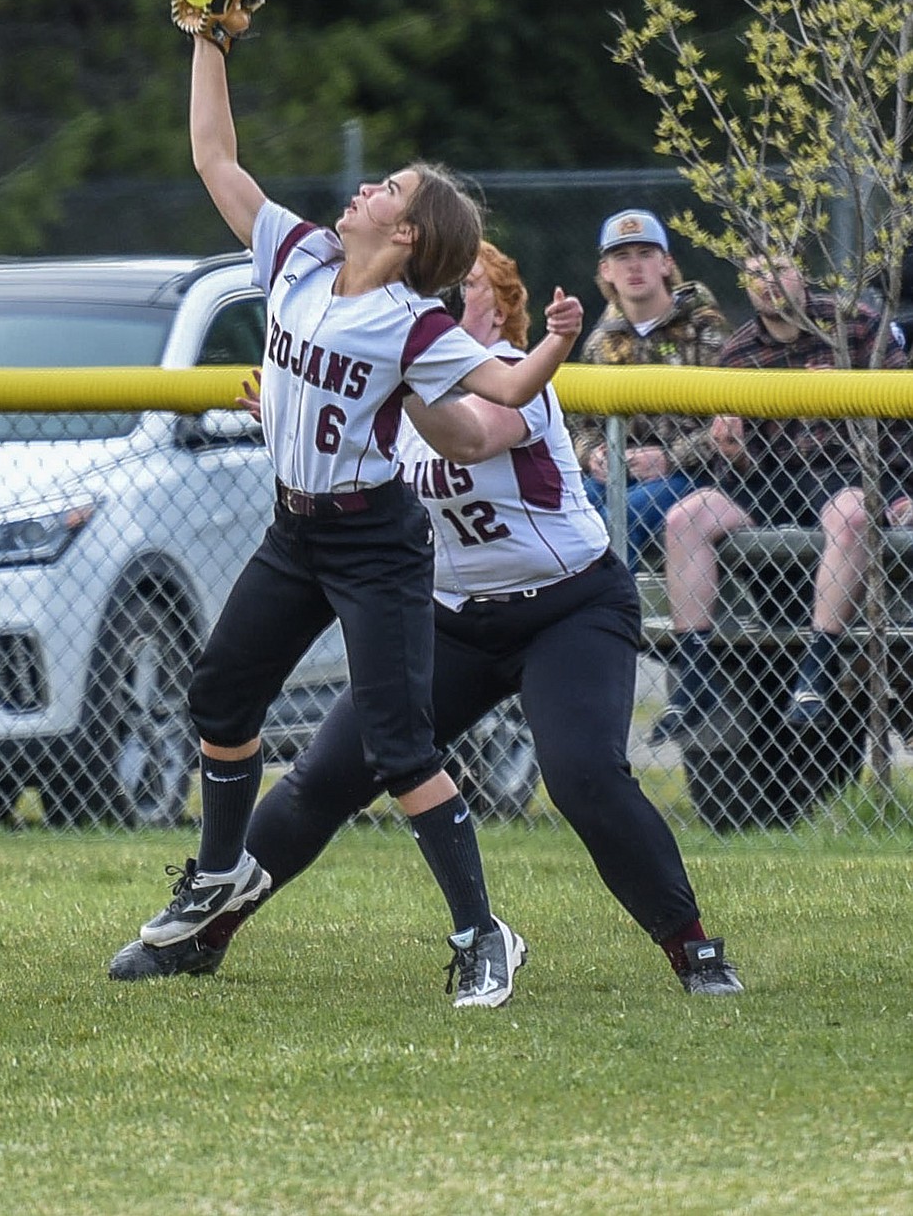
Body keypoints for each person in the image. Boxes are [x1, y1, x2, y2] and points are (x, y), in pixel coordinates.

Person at [110, 241, 743, 998]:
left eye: (461, 289)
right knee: (326, 775)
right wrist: (291, 415)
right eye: (428, 289)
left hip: (566, 607)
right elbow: (320, 461)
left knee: (582, 775)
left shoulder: (516, 375)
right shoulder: (387, 383)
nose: (437, 302)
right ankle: (205, 930)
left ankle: (695, 948)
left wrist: (393, 379)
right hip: (451, 618)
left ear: (499, 305)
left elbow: (468, 434)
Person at [121, 36, 584, 1009]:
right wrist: (209, 41)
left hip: (374, 539)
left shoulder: (414, 321)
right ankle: (219, 874)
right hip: (294, 532)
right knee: (218, 696)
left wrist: (551, 343)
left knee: (399, 740)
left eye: (389, 188)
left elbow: (502, 385)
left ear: (408, 236)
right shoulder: (297, 253)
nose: (368, 187)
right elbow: (214, 155)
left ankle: (480, 932)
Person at [651, 253, 913, 744]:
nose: (769, 283)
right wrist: (732, 449)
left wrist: (853, 399)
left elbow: (903, 422)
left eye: (780, 270)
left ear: (802, 273)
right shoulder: (740, 350)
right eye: (756, 275)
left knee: (853, 517)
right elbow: (743, 467)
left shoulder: (853, 325)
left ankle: (817, 666)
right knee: (685, 518)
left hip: (848, 472)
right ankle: (693, 677)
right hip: (772, 482)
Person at [571, 209, 729, 567]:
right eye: (622, 257)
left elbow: (727, 422)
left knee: (625, 514)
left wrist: (669, 458)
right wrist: (592, 455)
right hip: (615, 474)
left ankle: (613, 615)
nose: (634, 267)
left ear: (666, 263)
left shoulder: (704, 328)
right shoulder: (600, 340)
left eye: (645, 254)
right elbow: (580, 425)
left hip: (691, 474)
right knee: (573, 511)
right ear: (606, 271)